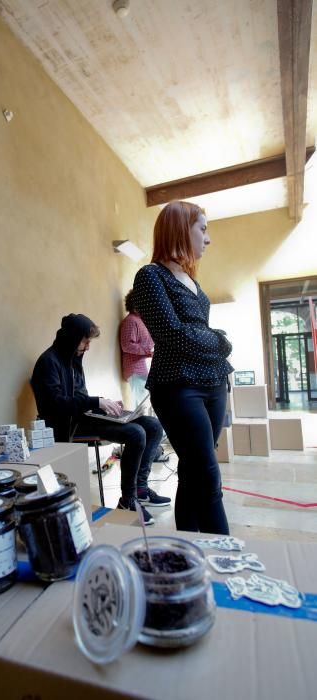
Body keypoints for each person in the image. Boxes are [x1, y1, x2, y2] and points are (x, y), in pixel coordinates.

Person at [133, 200, 233, 535]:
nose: (208, 238)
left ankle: (189, 546)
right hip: (177, 384)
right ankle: (226, 556)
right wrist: (220, 341)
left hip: (213, 380)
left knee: (192, 470)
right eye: (202, 229)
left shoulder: (189, 278)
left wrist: (212, 344)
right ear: (180, 228)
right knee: (207, 473)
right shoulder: (150, 276)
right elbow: (172, 334)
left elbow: (192, 331)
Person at [31, 313, 171, 525]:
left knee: (153, 425)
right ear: (72, 337)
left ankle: (140, 488)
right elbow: (55, 405)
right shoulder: (48, 362)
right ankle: (128, 500)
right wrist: (95, 403)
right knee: (136, 433)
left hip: (83, 416)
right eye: (85, 340)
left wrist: (105, 405)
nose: (87, 346)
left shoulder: (73, 359)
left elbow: (78, 397)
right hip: (68, 425)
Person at [119, 289, 169, 463]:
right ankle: (145, 447)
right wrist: (148, 351)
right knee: (141, 409)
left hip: (144, 369)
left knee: (146, 407)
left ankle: (151, 447)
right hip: (135, 369)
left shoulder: (140, 320)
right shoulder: (130, 321)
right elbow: (127, 346)